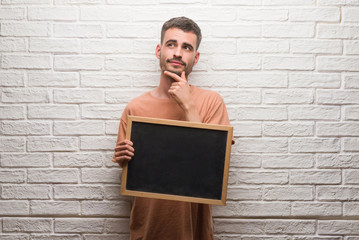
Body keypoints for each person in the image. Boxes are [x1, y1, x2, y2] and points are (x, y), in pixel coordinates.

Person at [112, 16, 232, 240]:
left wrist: (188, 104)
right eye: (171, 44)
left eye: (186, 47)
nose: (178, 53)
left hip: (194, 233)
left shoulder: (211, 102)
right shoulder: (135, 108)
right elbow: (134, 173)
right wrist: (123, 157)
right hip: (146, 231)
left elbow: (211, 168)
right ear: (159, 50)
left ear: (195, 58)